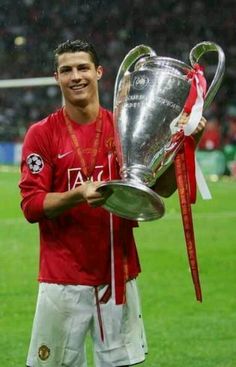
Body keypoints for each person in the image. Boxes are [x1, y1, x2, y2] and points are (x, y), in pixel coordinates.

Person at [19, 39, 206, 367]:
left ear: (99, 72)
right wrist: (78, 194)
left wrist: (188, 140)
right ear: (56, 77)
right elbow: (32, 205)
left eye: (82, 68)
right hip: (62, 278)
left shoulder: (125, 125)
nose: (75, 76)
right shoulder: (42, 133)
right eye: (67, 70)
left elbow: (159, 190)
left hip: (117, 274)